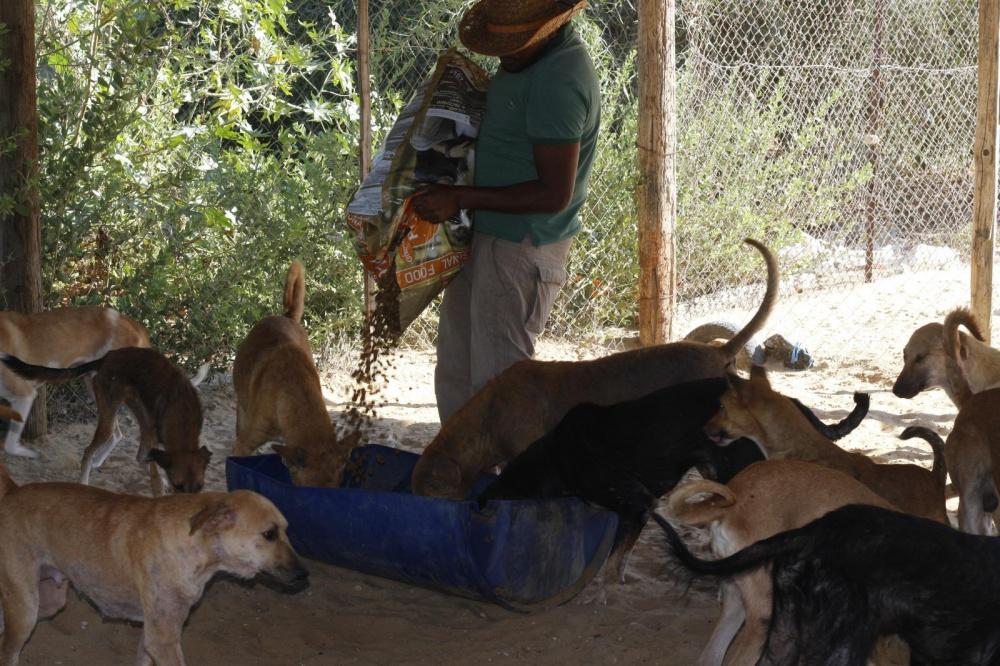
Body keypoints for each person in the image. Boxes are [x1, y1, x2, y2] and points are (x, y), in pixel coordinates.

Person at [412, 0, 601, 425]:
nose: (504, 55)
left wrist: (460, 198)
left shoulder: (558, 78)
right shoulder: (528, 60)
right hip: (487, 232)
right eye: (500, 44)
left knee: (500, 392)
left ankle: (504, 471)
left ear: (546, 29)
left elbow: (554, 193)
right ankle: (458, 465)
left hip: (519, 246)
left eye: (515, 44)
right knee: (458, 373)